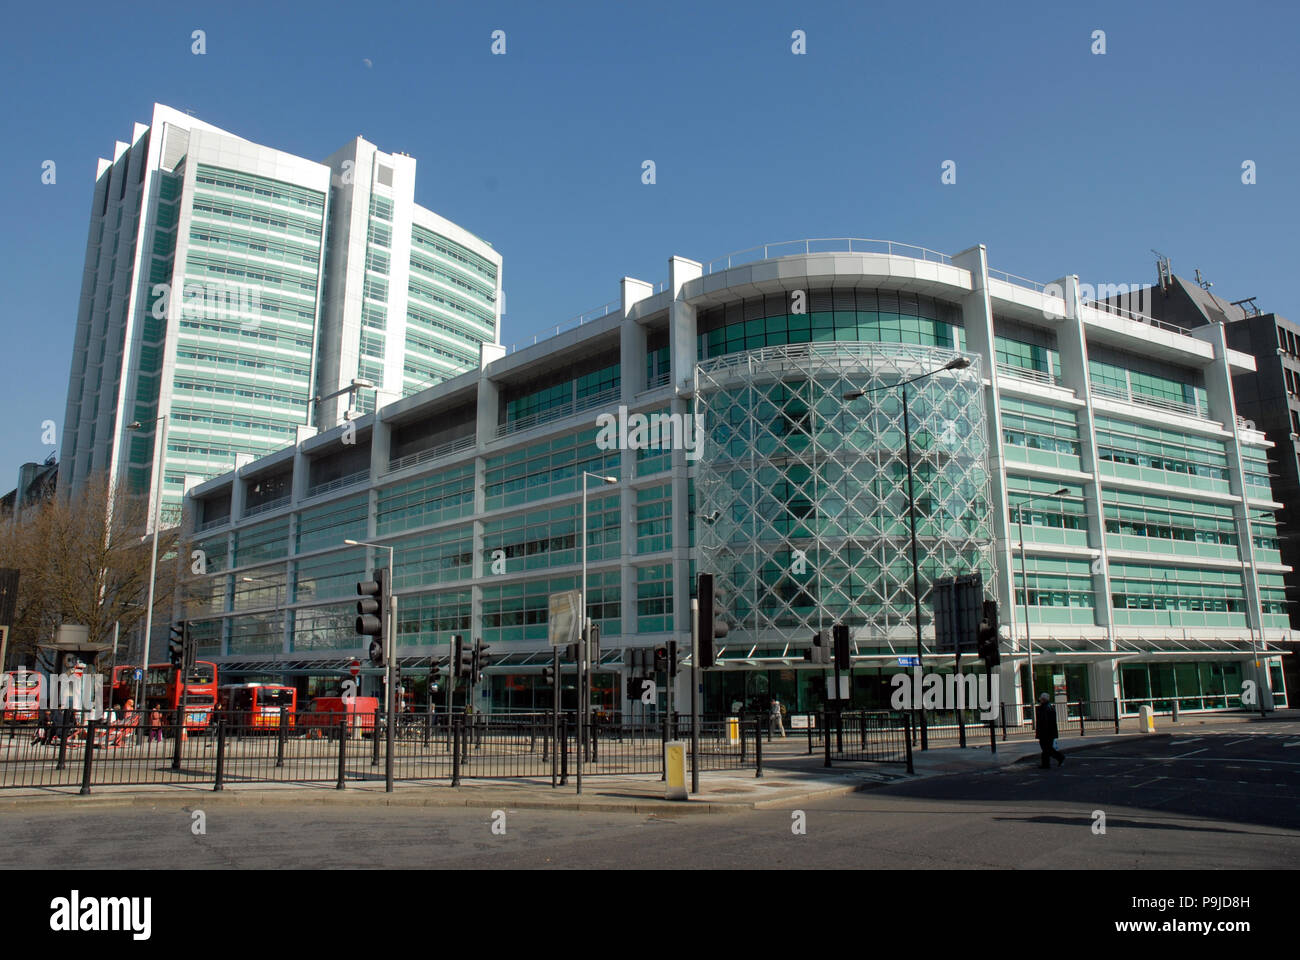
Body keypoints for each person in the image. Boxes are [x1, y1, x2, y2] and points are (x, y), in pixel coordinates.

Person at [1036, 693, 1064, 768]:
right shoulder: (1049, 707)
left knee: (1046, 748)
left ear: (1043, 699)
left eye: (1041, 699)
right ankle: (1046, 763)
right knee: (1047, 748)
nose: (1040, 700)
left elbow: (1044, 721)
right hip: (1050, 732)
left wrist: (1042, 732)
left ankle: (1059, 757)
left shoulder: (1044, 708)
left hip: (1046, 732)